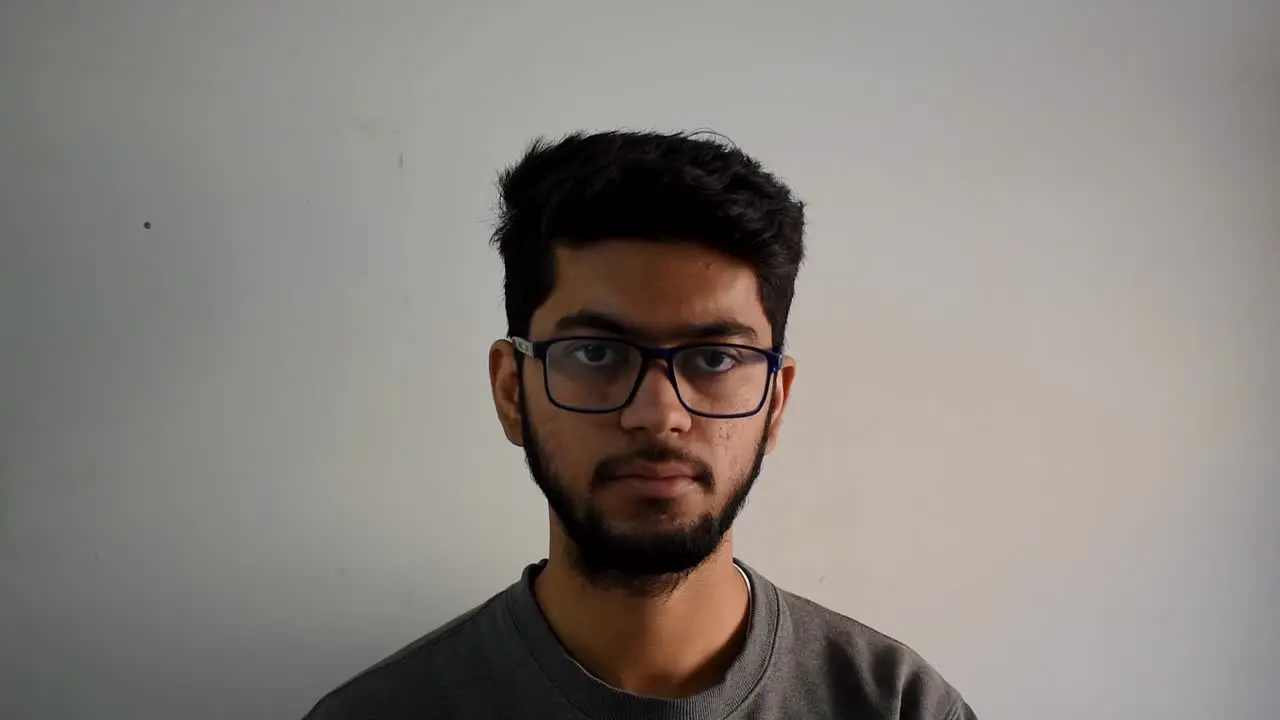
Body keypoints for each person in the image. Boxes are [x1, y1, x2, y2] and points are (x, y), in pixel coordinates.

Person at [304, 130, 978, 719]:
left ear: (776, 402)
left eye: (715, 358)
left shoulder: (899, 707)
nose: (659, 415)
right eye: (596, 353)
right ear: (512, 391)